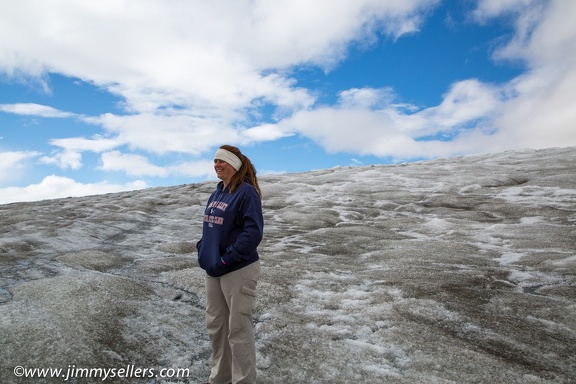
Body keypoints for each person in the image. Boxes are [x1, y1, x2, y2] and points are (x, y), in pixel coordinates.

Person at [196, 145, 264, 384]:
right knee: (216, 326)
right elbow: (210, 228)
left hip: (238, 269)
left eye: (221, 161)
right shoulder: (217, 192)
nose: (216, 165)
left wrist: (227, 259)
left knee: (238, 329)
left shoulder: (246, 192)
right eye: (215, 161)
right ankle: (220, 378)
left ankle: (243, 380)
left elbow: (253, 233)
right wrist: (202, 249)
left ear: (234, 164)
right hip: (214, 270)